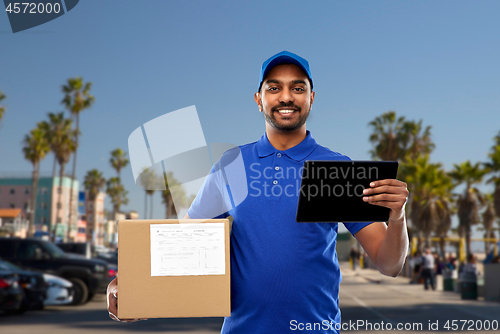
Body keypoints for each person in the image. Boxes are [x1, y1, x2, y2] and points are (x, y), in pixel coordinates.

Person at [107, 51, 409, 333]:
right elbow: (183, 245)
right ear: (259, 98)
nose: (286, 97)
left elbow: (389, 263)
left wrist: (397, 217)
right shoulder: (231, 165)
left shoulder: (336, 169)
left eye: (298, 88)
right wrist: (129, 287)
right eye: (274, 88)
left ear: (312, 98)